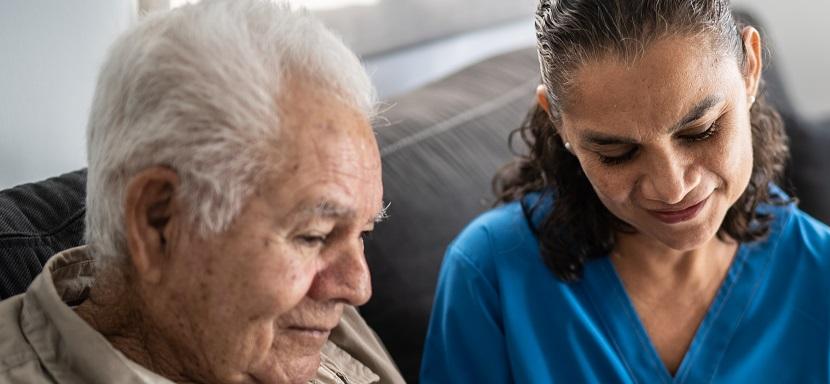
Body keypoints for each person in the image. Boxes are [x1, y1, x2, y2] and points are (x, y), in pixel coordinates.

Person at [420, 0, 830, 382]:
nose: (672, 188)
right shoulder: (490, 274)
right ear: (559, 124)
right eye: (616, 152)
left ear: (750, 69)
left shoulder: (820, 274)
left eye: (700, 131)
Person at [0, 1, 406, 383]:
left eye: (363, 234)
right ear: (159, 222)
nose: (358, 287)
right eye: (313, 236)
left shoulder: (308, 324)